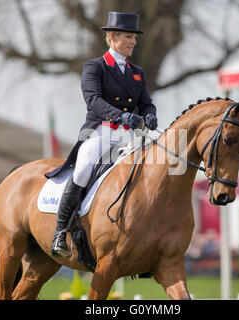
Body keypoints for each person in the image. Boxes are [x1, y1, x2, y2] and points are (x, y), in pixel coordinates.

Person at [51, 12, 158, 257]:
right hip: (100, 132)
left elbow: (146, 103)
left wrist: (150, 115)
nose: (134, 42)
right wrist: (121, 115)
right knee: (84, 167)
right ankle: (60, 231)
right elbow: (93, 100)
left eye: (135, 37)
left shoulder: (137, 72)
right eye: (129, 37)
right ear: (112, 37)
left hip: (129, 136)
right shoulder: (95, 66)